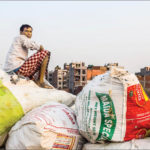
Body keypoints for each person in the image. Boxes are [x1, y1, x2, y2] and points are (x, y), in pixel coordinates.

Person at [3, 24, 53, 89]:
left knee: (38, 61)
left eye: (30, 31)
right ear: (21, 32)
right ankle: (40, 81)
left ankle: (38, 80)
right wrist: (40, 47)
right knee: (45, 53)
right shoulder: (21, 37)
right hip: (17, 68)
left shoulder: (17, 40)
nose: (29, 33)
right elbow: (28, 44)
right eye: (26, 31)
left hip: (13, 69)